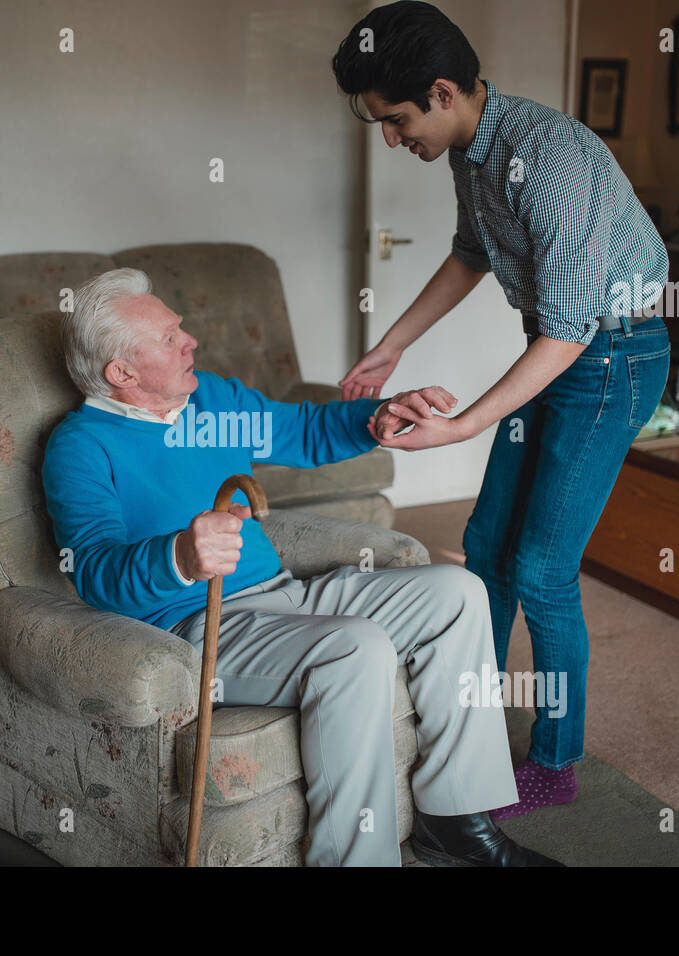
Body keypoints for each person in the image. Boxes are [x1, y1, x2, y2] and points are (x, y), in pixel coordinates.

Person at [41, 267, 561, 867]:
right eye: (169, 339)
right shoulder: (80, 446)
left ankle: (453, 821)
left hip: (285, 593)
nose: (191, 343)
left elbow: (304, 430)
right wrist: (178, 557)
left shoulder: (207, 400)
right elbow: (91, 569)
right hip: (199, 627)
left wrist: (378, 418)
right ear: (122, 374)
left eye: (180, 330)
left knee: (456, 592)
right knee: (354, 646)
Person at [332, 1, 671, 821]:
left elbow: (569, 333)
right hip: (557, 348)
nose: (392, 137)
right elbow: (471, 254)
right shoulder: (474, 150)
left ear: (443, 92)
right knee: (484, 543)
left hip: (612, 358)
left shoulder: (549, 158)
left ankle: (556, 761)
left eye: (397, 119)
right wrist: (394, 347)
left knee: (542, 570)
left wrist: (468, 422)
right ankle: (469, 722)